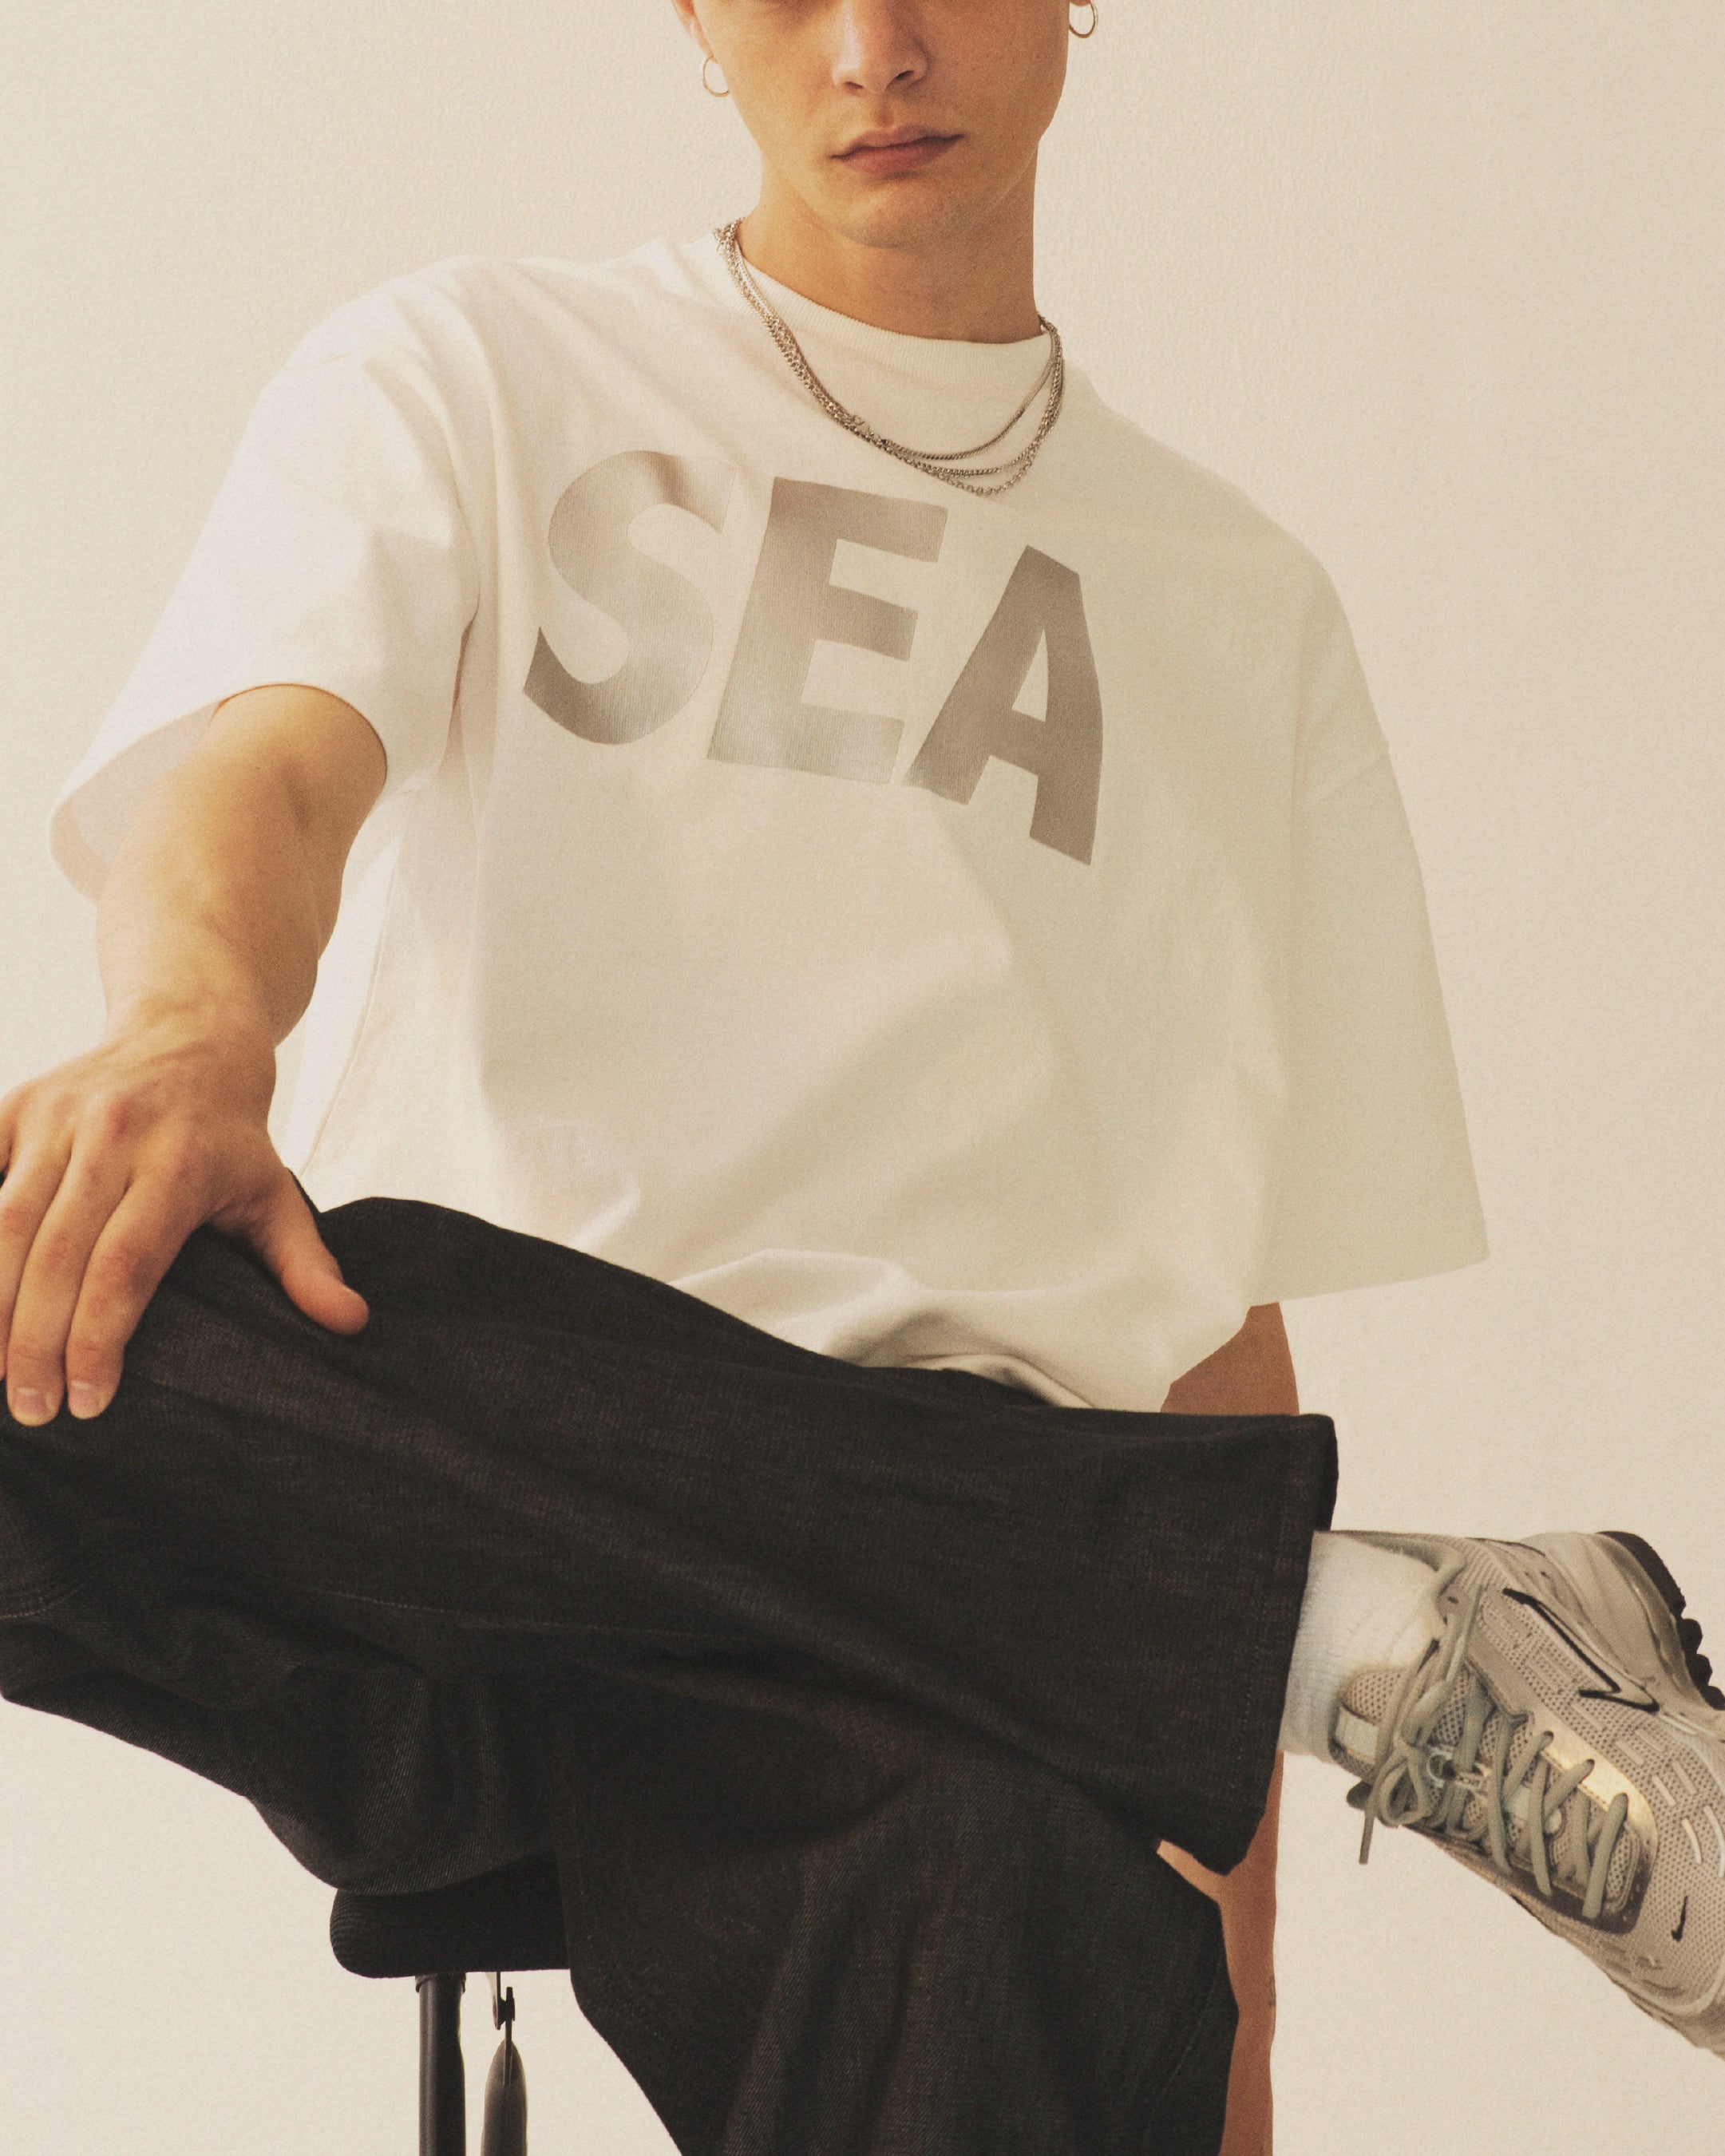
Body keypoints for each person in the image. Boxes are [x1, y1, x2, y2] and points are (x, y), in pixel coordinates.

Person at [0, 4, 1719, 2151]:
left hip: (940, 1710)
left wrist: (1246, 2040)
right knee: (50, 1273)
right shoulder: (478, 369)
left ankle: (1238, 1626)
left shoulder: (1240, 610)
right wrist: (192, 1028)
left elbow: (1207, 1330)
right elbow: (266, 774)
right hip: (449, 1553)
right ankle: (1333, 1630)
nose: (874, 49)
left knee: (996, 1865)